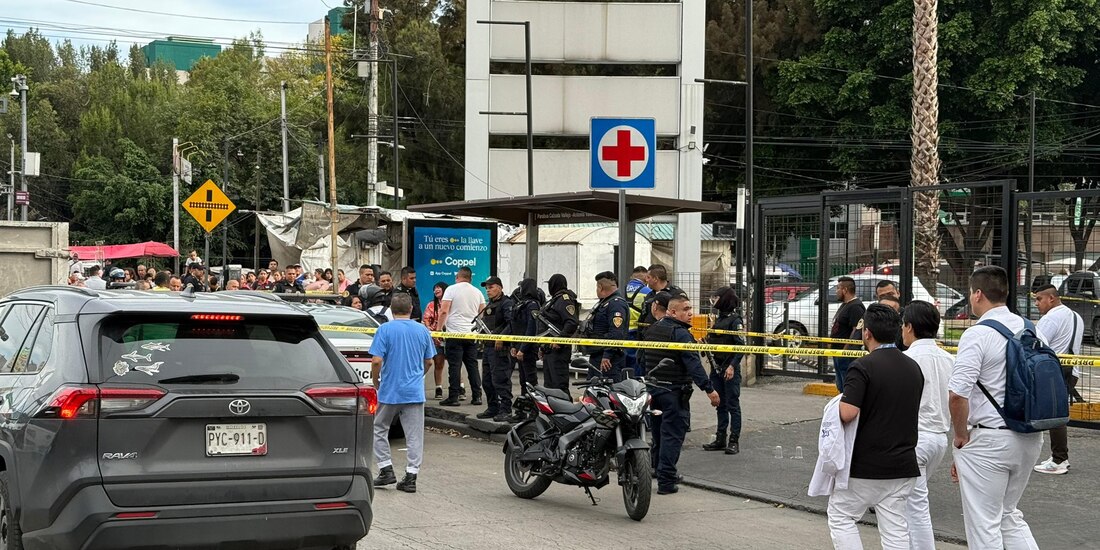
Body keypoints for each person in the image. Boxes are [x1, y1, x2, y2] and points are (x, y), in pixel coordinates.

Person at [948, 266, 1043, 548]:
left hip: (990, 440)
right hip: (1030, 434)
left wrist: (961, 436)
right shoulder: (1031, 329)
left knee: (984, 524)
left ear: (978, 294)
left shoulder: (978, 335)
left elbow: (957, 394)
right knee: (1008, 515)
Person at [827, 304, 924, 550]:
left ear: (866, 333)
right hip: (903, 463)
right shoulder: (913, 367)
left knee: (841, 515)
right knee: (895, 530)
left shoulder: (862, 366)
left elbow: (848, 413)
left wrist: (833, 406)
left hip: (867, 465)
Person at [644, 294, 719, 495]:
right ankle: (667, 482)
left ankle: (655, 470)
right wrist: (709, 389)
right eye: (685, 309)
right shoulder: (681, 334)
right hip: (674, 393)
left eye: (690, 308)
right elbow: (694, 364)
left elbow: (644, 359)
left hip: (654, 391)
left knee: (659, 435)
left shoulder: (653, 329)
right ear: (673, 311)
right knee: (671, 437)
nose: (690, 312)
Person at [370, 292, 435, 494]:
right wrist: (419, 376)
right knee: (414, 435)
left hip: (390, 389)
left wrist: (375, 380)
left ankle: (385, 468)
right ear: (411, 309)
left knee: (379, 427)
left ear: (391, 309)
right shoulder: (422, 330)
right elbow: (430, 361)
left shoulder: (385, 330)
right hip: (414, 391)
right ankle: (411, 476)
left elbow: (376, 360)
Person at [901, 300, 953, 550]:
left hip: (914, 440)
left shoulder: (907, 359)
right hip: (939, 439)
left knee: (915, 506)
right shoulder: (948, 359)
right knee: (910, 502)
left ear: (909, 326)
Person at [1032, 283, 1085, 475]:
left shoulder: (1051, 318)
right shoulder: (1075, 316)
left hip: (1053, 370)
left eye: (1039, 299)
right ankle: (1057, 457)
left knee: (1054, 415)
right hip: (1072, 371)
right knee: (1056, 412)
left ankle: (1059, 459)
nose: (1036, 303)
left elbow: (1037, 344)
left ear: (1051, 298)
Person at [702, 286, 745, 455]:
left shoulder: (735, 321)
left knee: (733, 405)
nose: (714, 301)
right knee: (719, 403)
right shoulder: (719, 319)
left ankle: (734, 440)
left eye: (717, 297)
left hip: (729, 369)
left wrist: (732, 366)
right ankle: (720, 438)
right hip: (716, 368)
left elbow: (740, 346)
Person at [438, 267, 486, 407]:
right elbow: (481, 314)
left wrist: (439, 330)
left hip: (454, 333)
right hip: (471, 334)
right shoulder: (478, 292)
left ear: (457, 277)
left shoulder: (451, 289)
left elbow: (444, 311)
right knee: (472, 366)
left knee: (454, 366)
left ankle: (454, 397)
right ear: (470, 278)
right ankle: (477, 396)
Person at [478, 276, 515, 421]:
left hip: (500, 348)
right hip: (488, 347)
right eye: (486, 288)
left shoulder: (506, 303)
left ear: (500, 287)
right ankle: (493, 408)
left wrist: (501, 337)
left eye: (491, 287)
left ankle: (506, 410)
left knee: (500, 379)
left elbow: (511, 324)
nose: (488, 290)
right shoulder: (490, 304)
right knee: (487, 381)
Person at [536, 274, 579, 396]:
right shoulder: (554, 300)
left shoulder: (564, 300)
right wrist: (542, 347)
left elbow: (571, 322)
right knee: (549, 387)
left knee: (559, 386)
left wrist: (559, 341)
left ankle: (566, 412)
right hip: (549, 350)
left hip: (559, 350)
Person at [584, 272, 630, 381]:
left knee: (607, 390)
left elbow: (616, 332)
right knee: (594, 388)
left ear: (600, 287)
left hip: (609, 359)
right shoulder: (605, 303)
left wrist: (607, 355)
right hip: (598, 354)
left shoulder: (616, 304)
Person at [830, 276, 865, 392]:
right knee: (840, 385)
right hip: (838, 352)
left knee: (846, 385)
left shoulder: (855, 307)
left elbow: (856, 330)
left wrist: (846, 350)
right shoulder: (846, 305)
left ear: (845, 290)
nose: (836, 291)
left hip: (846, 354)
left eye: (838, 288)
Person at [510, 278, 542, 400]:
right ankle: (523, 409)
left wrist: (522, 349)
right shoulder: (522, 303)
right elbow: (515, 326)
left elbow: (531, 328)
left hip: (528, 348)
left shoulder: (533, 304)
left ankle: (533, 410)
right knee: (523, 380)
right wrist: (514, 345)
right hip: (519, 346)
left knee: (530, 381)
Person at [637, 264, 682, 340]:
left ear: (655, 279)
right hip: (648, 338)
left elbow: (681, 317)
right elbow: (643, 318)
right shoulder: (649, 295)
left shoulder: (676, 294)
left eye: (648, 277)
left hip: (668, 338)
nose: (646, 280)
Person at [422, 282, 449, 399]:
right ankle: (438, 388)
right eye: (435, 288)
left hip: (451, 337)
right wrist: (432, 332)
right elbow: (426, 320)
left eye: (438, 288)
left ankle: (460, 388)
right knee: (438, 363)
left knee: (455, 364)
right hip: (436, 339)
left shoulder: (451, 304)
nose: (436, 290)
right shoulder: (431, 305)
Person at [625, 266, 651, 375]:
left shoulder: (624, 288)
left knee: (625, 362)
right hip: (637, 330)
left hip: (624, 329)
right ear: (645, 277)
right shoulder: (647, 291)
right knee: (637, 362)